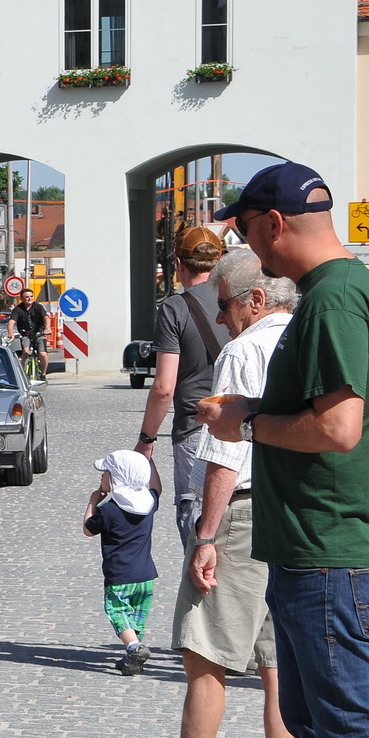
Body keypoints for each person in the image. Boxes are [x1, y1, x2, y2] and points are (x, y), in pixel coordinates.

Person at [201, 161, 369, 738]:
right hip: (317, 547)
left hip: (330, 548)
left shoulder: (337, 296)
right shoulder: (343, 291)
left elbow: (338, 427)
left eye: (243, 225)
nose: (240, 239)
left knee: (348, 727)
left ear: (273, 222)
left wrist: (245, 419)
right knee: (317, 720)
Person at [100, 248, 301, 738]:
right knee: (277, 667)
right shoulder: (308, 335)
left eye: (226, 307)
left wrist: (206, 536)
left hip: (242, 513)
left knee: (205, 656)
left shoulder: (247, 348)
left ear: (256, 300)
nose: (221, 321)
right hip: (296, 515)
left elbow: (227, 452)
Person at [137, 226, 229, 546]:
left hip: (194, 431)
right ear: (219, 263)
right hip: (240, 429)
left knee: (198, 526)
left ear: (179, 265)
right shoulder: (239, 303)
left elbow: (164, 387)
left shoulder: (175, 308)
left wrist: (147, 440)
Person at [83, 450, 163, 676]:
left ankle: (134, 648)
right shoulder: (149, 503)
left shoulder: (108, 509)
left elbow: (88, 529)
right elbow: (157, 487)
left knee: (117, 611)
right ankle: (132, 657)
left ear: (116, 478)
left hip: (119, 577)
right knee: (136, 617)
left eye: (106, 473)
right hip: (146, 576)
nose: (102, 477)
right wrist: (149, 458)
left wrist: (93, 501)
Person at [7, 288, 50, 376]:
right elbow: (12, 321)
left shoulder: (38, 307)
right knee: (25, 352)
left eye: (31, 296)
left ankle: (43, 373)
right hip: (26, 334)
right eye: (27, 297)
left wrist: (47, 328)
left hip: (39, 334)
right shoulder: (18, 309)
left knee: (43, 354)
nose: (30, 298)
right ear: (22, 299)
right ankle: (22, 374)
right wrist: (11, 333)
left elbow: (46, 318)